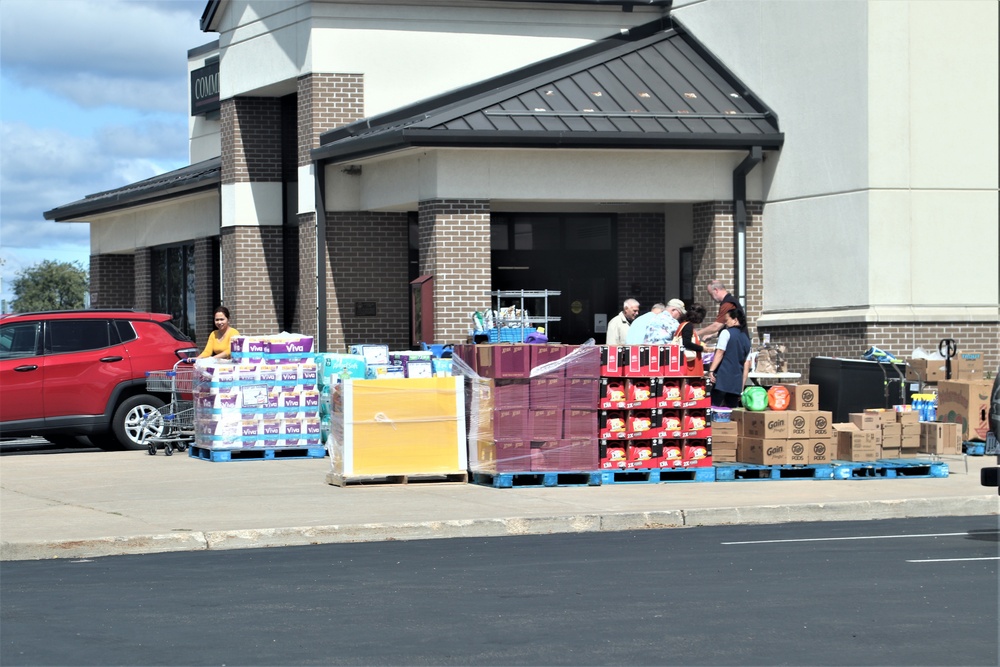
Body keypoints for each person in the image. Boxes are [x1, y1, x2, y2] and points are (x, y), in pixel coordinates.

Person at [707, 308, 752, 408]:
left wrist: (711, 370)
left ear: (735, 320)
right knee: (732, 411)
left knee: (715, 406)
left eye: (727, 320)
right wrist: (742, 385)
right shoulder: (746, 339)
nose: (725, 323)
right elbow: (747, 363)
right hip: (736, 380)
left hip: (722, 377)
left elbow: (720, 352)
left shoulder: (726, 333)